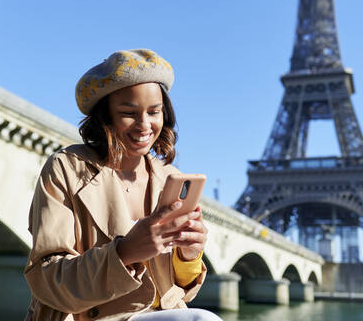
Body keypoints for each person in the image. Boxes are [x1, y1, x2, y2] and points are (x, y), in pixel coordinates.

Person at [24, 49, 221, 321]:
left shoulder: (169, 177)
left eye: (154, 112)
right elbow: (46, 279)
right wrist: (125, 252)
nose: (144, 125)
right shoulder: (65, 168)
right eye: (129, 113)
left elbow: (182, 293)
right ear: (105, 117)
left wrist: (189, 255)